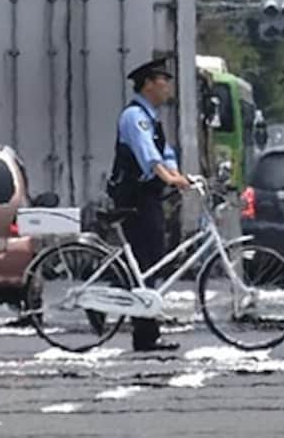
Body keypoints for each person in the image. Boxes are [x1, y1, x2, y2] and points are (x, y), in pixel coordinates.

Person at [107, 56, 191, 353]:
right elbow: (147, 155)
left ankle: (146, 332)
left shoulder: (151, 116)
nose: (167, 86)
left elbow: (164, 152)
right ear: (147, 84)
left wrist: (179, 176)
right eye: (162, 80)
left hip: (148, 195)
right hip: (134, 197)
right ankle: (139, 328)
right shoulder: (135, 117)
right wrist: (169, 178)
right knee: (147, 260)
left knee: (152, 259)